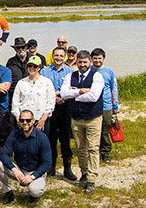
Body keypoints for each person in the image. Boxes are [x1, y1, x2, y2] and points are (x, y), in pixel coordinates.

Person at [61, 50, 105, 194]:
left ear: (90, 62)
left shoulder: (97, 76)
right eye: (80, 62)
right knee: (80, 148)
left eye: (85, 62)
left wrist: (74, 94)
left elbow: (93, 96)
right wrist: (80, 91)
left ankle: (91, 179)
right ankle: (84, 174)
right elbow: (64, 94)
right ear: (77, 63)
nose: (82, 65)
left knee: (92, 148)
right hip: (76, 118)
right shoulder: (70, 75)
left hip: (93, 117)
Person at [0, 110, 52, 205]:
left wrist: (32, 177)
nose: (25, 123)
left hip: (35, 171)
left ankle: (33, 194)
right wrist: (14, 169)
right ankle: (8, 193)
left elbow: (47, 163)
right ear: (19, 121)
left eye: (28, 120)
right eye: (22, 120)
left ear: (33, 121)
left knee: (35, 191)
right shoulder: (14, 135)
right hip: (19, 169)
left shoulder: (42, 137)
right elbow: (4, 154)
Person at [40, 46, 76, 180]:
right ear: (52, 56)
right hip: (50, 108)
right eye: (56, 55)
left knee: (66, 138)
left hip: (66, 107)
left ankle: (68, 169)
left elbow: (73, 89)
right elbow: (42, 90)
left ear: (65, 57)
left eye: (61, 56)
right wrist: (54, 98)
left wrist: (62, 95)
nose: (58, 58)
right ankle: (51, 167)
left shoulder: (71, 72)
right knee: (51, 138)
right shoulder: (44, 71)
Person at [11, 55, 55, 136]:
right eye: (29, 65)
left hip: (41, 120)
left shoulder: (47, 82)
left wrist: (42, 120)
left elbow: (51, 103)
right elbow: (15, 103)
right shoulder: (21, 82)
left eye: (35, 66)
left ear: (39, 68)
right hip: (25, 121)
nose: (32, 68)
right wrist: (19, 120)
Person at [90, 48, 119, 164]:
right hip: (92, 105)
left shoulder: (109, 72)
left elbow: (114, 89)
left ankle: (105, 152)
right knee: (92, 130)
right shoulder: (88, 70)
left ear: (103, 59)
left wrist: (115, 106)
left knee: (105, 130)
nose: (97, 61)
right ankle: (93, 152)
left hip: (106, 105)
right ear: (91, 59)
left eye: (99, 58)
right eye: (95, 58)